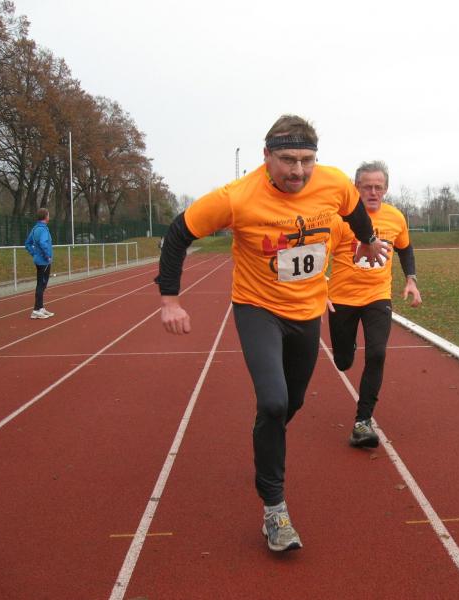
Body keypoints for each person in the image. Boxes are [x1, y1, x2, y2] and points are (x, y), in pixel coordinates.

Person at [155, 115, 388, 552]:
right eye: (288, 160)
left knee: (289, 404)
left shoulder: (334, 183)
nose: (298, 171)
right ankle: (274, 509)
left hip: (307, 311)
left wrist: (369, 239)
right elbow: (178, 232)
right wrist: (170, 299)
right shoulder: (236, 197)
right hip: (257, 308)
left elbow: (354, 209)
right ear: (266, 156)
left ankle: (268, 433)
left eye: (306, 160)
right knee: (274, 401)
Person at [327, 161, 421, 448]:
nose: (373, 192)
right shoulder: (339, 219)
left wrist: (411, 280)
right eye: (367, 186)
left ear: (386, 189)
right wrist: (319, 287)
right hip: (342, 298)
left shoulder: (395, 217)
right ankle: (348, 348)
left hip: (378, 296)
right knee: (343, 362)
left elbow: (405, 247)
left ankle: (362, 421)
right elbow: (321, 253)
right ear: (356, 188)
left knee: (377, 353)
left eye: (378, 187)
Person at [24, 208, 55, 319]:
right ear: (45, 217)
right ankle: (36, 310)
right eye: (48, 215)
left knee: (41, 284)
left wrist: (34, 254)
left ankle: (40, 307)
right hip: (44, 261)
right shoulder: (43, 230)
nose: (49, 217)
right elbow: (42, 243)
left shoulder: (35, 229)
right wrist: (47, 256)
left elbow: (27, 244)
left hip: (39, 260)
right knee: (41, 285)